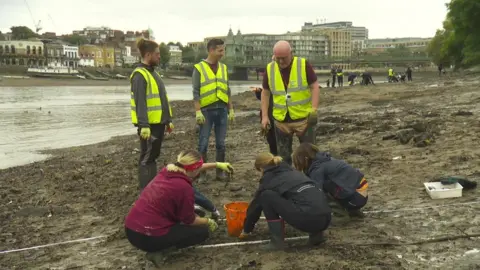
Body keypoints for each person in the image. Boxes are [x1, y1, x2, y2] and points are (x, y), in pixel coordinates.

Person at [124, 150, 234, 266]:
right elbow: (189, 220)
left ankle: (160, 242)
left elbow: (194, 167)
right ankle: (160, 252)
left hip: (131, 229)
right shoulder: (183, 187)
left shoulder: (168, 170)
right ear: (193, 169)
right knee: (202, 232)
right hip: (147, 237)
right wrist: (208, 221)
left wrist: (217, 164)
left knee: (196, 214)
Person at [239, 152, 332, 250]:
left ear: (261, 168)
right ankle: (317, 237)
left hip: (307, 220)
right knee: (304, 197)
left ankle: (277, 242)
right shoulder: (293, 172)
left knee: (266, 196)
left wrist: (246, 229)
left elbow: (255, 207)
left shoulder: (268, 179)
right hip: (326, 219)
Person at [260, 40, 320, 165]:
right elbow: (265, 93)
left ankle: (311, 180)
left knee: (310, 155)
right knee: (283, 157)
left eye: (284, 58)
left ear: (291, 53)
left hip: (304, 120)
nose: (281, 62)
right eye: (278, 58)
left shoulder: (303, 65)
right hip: (281, 122)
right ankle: (288, 180)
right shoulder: (270, 68)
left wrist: (314, 109)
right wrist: (265, 117)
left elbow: (314, 86)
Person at [130, 38, 174, 190]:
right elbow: (139, 102)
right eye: (157, 54)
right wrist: (143, 125)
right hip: (149, 126)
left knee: (152, 157)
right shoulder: (140, 75)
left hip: (158, 123)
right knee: (147, 158)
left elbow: (162, 98)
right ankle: (146, 191)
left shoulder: (154, 74)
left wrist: (167, 120)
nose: (159, 57)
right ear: (148, 55)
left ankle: (151, 188)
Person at [192, 38, 235, 182]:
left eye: (224, 50)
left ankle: (220, 172)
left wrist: (231, 108)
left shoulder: (223, 68)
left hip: (222, 110)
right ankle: (202, 173)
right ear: (211, 50)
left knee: (221, 143)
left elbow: (227, 89)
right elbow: (196, 92)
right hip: (206, 111)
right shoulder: (199, 68)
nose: (223, 53)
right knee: (203, 143)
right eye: (220, 50)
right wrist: (198, 111)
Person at [292, 143, 368, 217]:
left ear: (306, 158)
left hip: (356, 198)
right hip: (361, 193)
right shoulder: (325, 159)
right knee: (331, 184)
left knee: (318, 191)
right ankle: (353, 210)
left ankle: (341, 215)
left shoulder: (317, 169)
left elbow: (315, 193)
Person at [251, 86, 277, 155]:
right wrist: (259, 92)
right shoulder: (270, 80)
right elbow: (264, 97)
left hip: (280, 119)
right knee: (272, 144)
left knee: (281, 145)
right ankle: (275, 161)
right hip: (269, 119)